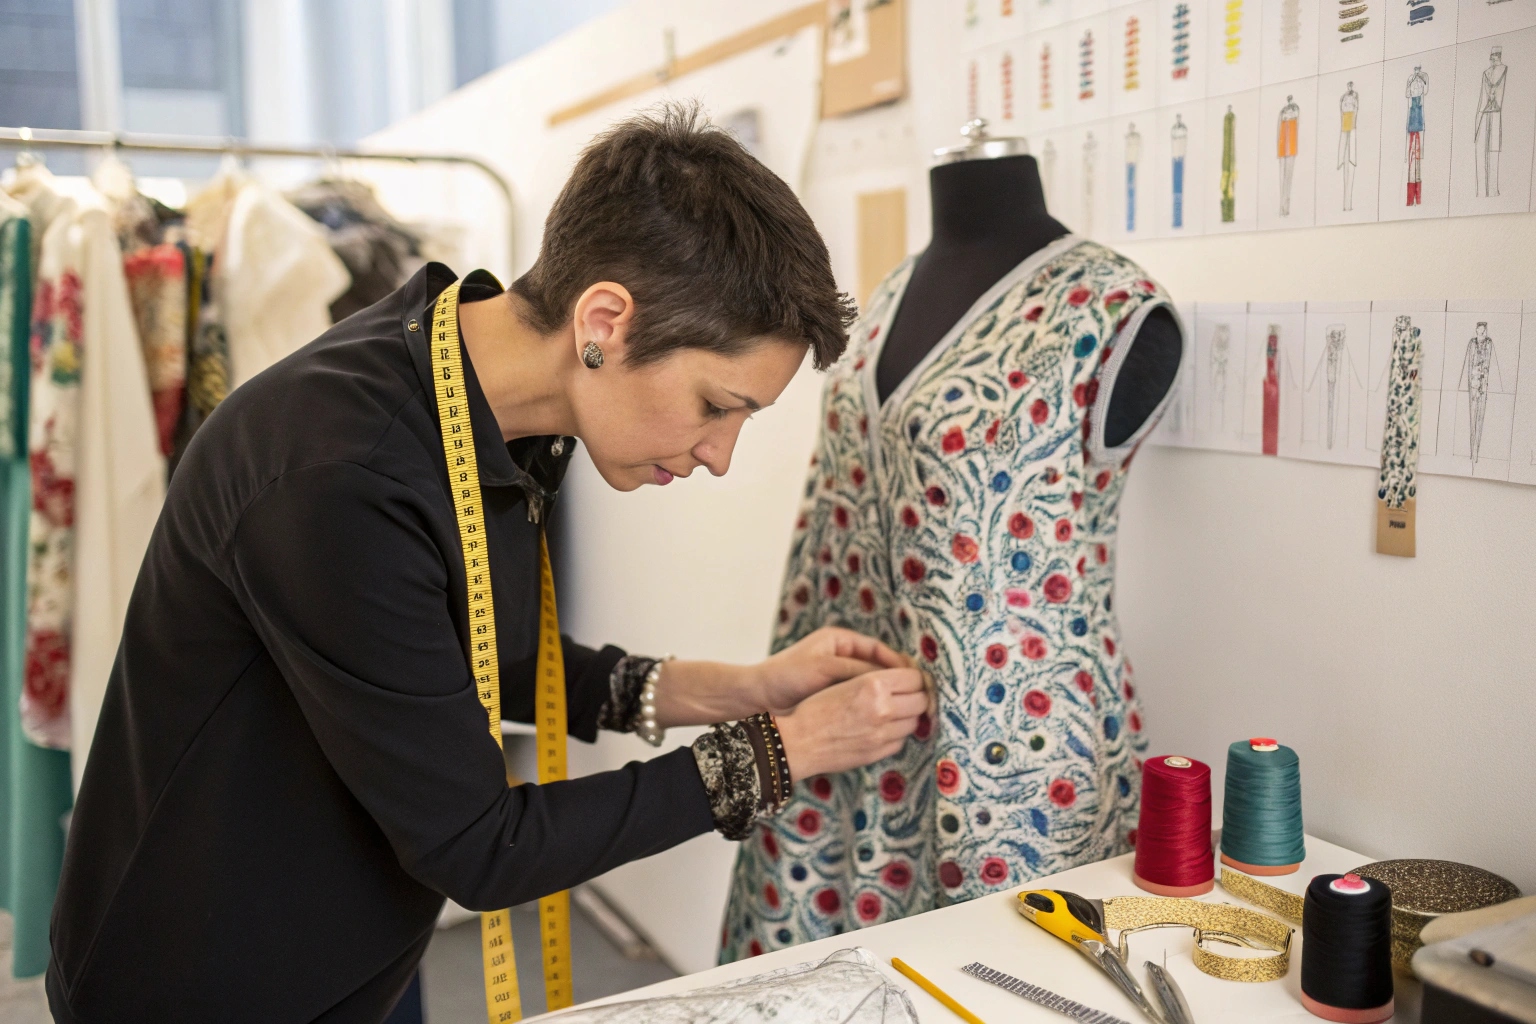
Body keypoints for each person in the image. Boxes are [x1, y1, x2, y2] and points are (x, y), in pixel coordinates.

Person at [46, 105, 928, 1023]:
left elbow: (477, 663)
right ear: (604, 322)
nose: (720, 455)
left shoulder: (474, 398)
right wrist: (789, 750)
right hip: (201, 981)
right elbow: (482, 846)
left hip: (348, 936)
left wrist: (751, 687)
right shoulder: (338, 471)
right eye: (717, 405)